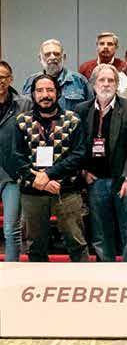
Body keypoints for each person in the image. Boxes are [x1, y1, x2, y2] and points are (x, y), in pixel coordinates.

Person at [7, 75, 88, 261]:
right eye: (40, 91)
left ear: (58, 93)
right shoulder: (22, 121)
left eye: (50, 90)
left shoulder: (72, 119)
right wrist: (39, 180)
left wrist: (49, 175)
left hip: (66, 191)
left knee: (77, 243)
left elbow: (78, 155)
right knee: (35, 247)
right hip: (32, 192)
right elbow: (17, 157)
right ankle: (39, 281)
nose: (45, 95)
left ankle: (83, 278)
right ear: (33, 95)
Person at [78, 64, 127, 262]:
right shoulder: (82, 109)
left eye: (111, 80)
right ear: (93, 84)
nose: (106, 84)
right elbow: (77, 145)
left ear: (117, 84)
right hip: (95, 180)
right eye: (102, 80)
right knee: (100, 232)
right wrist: (83, 170)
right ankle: (105, 271)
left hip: (122, 180)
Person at [0, 60, 28, 261]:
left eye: (3, 77)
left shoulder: (24, 104)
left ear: (11, 79)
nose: (0, 81)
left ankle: (12, 272)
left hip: (12, 175)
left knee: (11, 229)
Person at [23, 38, 93, 112]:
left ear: (64, 57)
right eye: (47, 54)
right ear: (40, 58)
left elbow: (91, 110)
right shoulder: (30, 82)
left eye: (56, 54)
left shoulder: (79, 81)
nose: (52, 57)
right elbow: (25, 110)